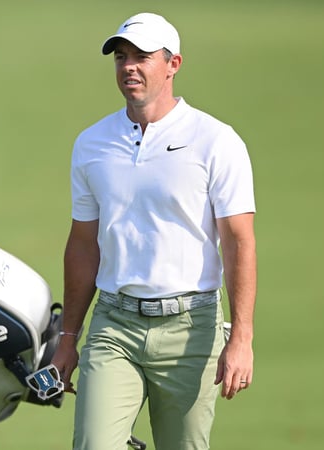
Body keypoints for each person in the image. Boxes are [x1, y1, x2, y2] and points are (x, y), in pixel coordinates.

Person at [51, 12, 257, 449]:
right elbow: (83, 245)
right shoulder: (91, 144)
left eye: (142, 57)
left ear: (173, 64)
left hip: (192, 327)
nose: (129, 67)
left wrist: (241, 337)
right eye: (122, 57)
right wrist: (68, 338)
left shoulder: (216, 141)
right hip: (114, 325)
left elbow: (239, 242)